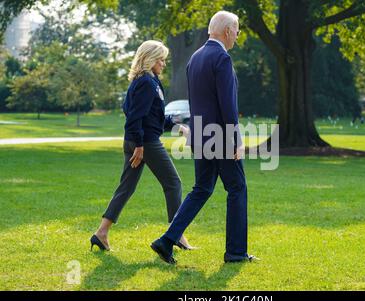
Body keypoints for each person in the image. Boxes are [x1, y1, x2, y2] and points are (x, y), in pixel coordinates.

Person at [151, 11, 258, 264]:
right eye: (237, 30)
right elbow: (228, 105)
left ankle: (167, 240)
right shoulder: (222, 58)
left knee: (202, 188)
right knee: (237, 188)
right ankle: (235, 252)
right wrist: (237, 140)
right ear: (228, 31)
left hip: (201, 136)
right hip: (220, 136)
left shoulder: (195, 58)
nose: (238, 35)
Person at [90, 40, 195, 251]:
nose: (164, 64)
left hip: (137, 140)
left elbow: (153, 117)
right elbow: (134, 118)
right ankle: (176, 235)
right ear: (150, 59)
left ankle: (101, 233)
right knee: (173, 183)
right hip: (145, 143)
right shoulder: (146, 83)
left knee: (126, 188)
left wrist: (178, 127)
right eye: (161, 60)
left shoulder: (147, 81)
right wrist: (139, 146)